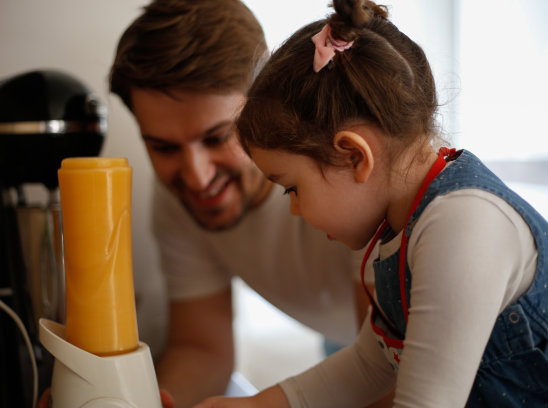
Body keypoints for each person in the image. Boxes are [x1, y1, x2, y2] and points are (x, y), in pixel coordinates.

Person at [192, 0, 548, 407]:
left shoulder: (461, 225)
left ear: (355, 156)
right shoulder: (401, 232)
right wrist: (255, 405)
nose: (294, 210)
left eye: (291, 189)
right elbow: (369, 364)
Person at [107, 1, 390, 408]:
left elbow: (391, 370)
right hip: (348, 342)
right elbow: (201, 348)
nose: (197, 176)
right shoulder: (178, 194)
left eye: (217, 137)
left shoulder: (347, 167)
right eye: (163, 147)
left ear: (266, 100)